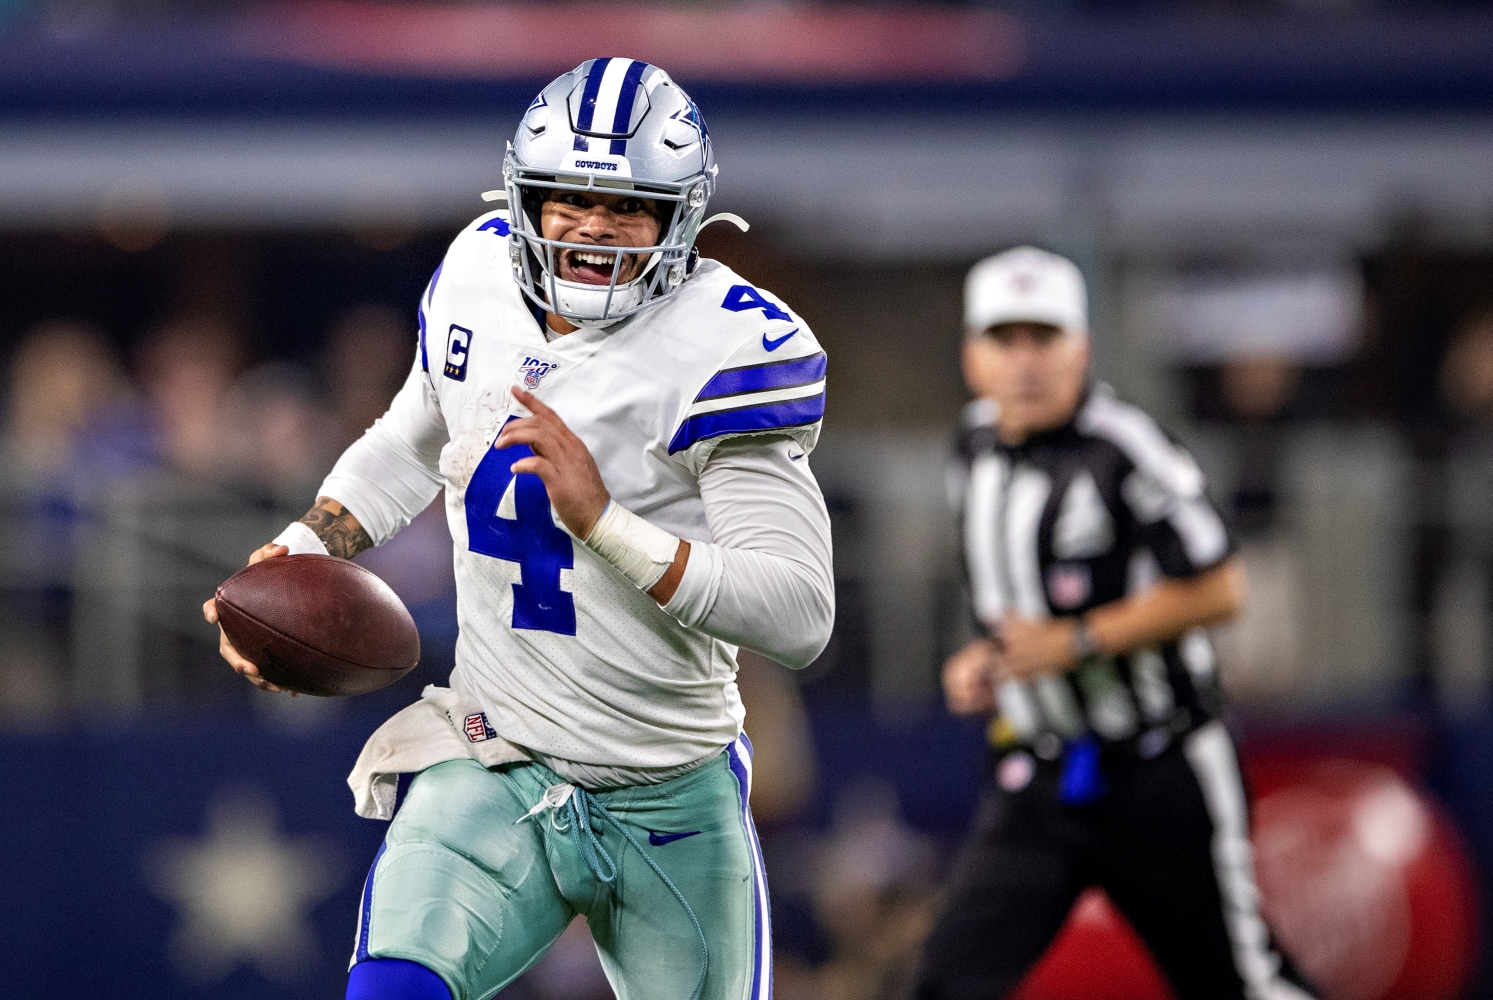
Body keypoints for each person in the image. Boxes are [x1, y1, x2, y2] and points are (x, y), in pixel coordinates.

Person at [202, 58, 834, 1000]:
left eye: (628, 208)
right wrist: (298, 555)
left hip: (669, 784)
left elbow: (799, 614)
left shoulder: (733, 346)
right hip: (498, 750)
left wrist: (604, 522)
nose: (592, 227)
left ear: (682, 219)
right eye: (568, 197)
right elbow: (414, 436)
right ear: (523, 194)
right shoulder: (477, 272)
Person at [912, 247, 1313, 1000]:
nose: (1026, 362)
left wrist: (1078, 642)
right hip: (1040, 775)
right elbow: (1015, 596)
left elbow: (1223, 586)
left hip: (1158, 769)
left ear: (1082, 349)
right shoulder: (972, 449)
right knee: (944, 983)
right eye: (1006, 339)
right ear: (972, 357)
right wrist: (989, 660)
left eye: (1045, 338)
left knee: (1242, 983)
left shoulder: (1126, 449)